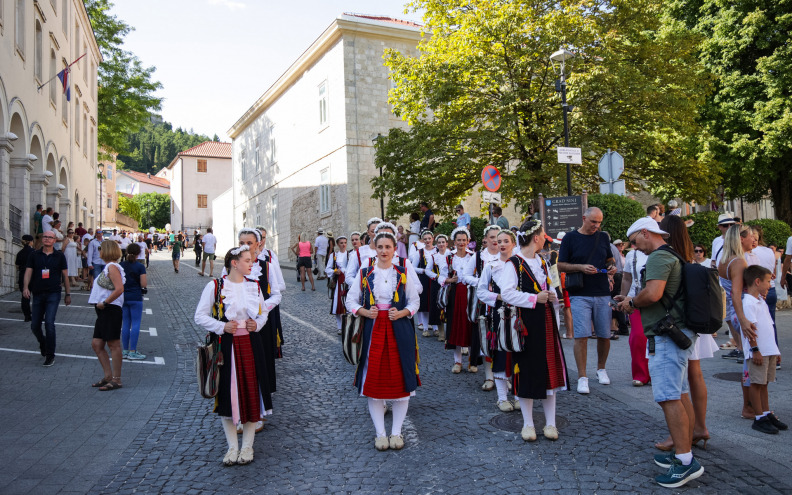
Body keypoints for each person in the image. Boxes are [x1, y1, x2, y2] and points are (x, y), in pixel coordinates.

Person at [615, 217, 704, 488]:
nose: (634, 247)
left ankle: (686, 461)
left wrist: (631, 301)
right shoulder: (673, 253)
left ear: (645, 233)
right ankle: (683, 453)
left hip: (666, 334)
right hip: (676, 332)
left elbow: (653, 294)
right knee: (679, 394)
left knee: (668, 397)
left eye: (634, 241)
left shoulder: (657, 257)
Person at [194, 246, 281, 466]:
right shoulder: (215, 286)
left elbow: (263, 314)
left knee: (252, 393)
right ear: (234, 263)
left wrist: (256, 323)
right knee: (227, 395)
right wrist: (222, 327)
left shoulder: (254, 287)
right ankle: (232, 447)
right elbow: (200, 316)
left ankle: (248, 447)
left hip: (252, 344)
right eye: (247, 260)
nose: (252, 264)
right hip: (227, 344)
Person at [345, 230, 420, 451]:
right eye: (380, 247)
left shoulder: (404, 271)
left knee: (402, 378)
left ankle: (396, 432)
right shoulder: (365, 272)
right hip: (374, 329)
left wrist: (403, 312)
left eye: (388, 247)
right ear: (374, 249)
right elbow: (350, 299)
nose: (384, 251)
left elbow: (415, 301)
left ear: (394, 250)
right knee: (374, 381)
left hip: (400, 330)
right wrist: (365, 312)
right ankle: (380, 433)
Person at [653, 215, 718, 452]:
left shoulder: (669, 255)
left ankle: (683, 435)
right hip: (693, 320)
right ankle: (698, 427)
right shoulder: (688, 252)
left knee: (680, 382)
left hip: (679, 324)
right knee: (694, 374)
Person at [501, 219, 569, 441]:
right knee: (527, 370)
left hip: (546, 320)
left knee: (549, 370)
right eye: (543, 235)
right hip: (526, 324)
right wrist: (534, 298)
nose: (545, 239)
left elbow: (549, 287)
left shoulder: (542, 261)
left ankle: (551, 423)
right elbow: (507, 293)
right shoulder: (513, 263)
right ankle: (528, 423)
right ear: (536, 237)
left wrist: (549, 296)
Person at [557, 207, 617, 394]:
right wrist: (581, 267)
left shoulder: (603, 237)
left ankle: (601, 369)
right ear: (584, 218)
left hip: (601, 291)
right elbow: (560, 265)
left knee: (604, 334)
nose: (596, 226)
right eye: (593, 222)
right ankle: (582, 377)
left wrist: (612, 267)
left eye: (599, 222)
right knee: (581, 335)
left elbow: (609, 259)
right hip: (579, 293)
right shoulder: (570, 238)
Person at [476, 229, 522, 411]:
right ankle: (502, 397)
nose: (501, 244)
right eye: (499, 240)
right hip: (499, 314)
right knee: (501, 353)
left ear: (513, 243)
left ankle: (519, 394)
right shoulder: (491, 265)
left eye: (506, 241)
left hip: (519, 314)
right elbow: (481, 291)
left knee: (518, 353)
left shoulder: (520, 264)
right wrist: (498, 298)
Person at [718, 224, 759, 418]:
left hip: (736, 313)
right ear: (741, 239)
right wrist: (743, 319)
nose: (754, 239)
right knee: (751, 361)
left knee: (748, 360)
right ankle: (749, 407)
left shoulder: (726, 259)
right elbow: (736, 293)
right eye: (751, 236)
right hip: (741, 313)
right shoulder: (738, 262)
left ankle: (750, 405)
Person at [741, 265, 787, 434]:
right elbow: (751, 329)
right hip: (758, 351)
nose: (770, 284)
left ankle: (766, 413)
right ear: (757, 281)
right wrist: (755, 350)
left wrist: (775, 350)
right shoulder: (748, 303)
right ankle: (759, 417)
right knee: (756, 383)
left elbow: (769, 327)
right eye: (768, 281)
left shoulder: (761, 300)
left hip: (769, 349)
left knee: (765, 383)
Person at [461, 224, 502, 389]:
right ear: (486, 239)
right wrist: (481, 282)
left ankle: (504, 375)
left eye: (497, 237)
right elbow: (465, 276)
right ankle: (489, 377)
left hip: (503, 301)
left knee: (502, 337)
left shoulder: (508, 255)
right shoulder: (479, 256)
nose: (495, 241)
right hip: (483, 303)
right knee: (487, 338)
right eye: (492, 237)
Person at [23, 230, 71, 366]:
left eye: (50, 237)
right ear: (42, 239)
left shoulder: (59, 256)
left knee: (49, 323)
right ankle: (43, 343)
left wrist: (68, 294)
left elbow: (65, 276)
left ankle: (50, 355)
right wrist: (26, 287)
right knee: (34, 326)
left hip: (53, 294)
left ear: (55, 240)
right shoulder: (34, 255)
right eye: (45, 237)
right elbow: (28, 272)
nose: (47, 239)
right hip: (37, 293)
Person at [88, 240, 126, 391]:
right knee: (97, 344)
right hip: (104, 309)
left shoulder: (112, 267)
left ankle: (116, 379)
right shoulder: (109, 266)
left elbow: (119, 289)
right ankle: (108, 376)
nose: (99, 251)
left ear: (107, 251)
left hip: (110, 308)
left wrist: (104, 302)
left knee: (113, 344)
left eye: (100, 249)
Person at [439, 227, 477, 373]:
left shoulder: (473, 256)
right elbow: (441, 277)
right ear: (454, 241)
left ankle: (472, 361)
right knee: (455, 326)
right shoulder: (449, 257)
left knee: (470, 325)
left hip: (470, 293)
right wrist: (449, 279)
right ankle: (457, 361)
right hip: (454, 294)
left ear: (468, 241)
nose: (461, 243)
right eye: (458, 240)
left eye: (464, 240)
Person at [621, 237, 650, 386]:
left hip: (656, 300)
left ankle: (654, 372)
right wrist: (623, 298)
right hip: (635, 299)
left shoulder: (660, 252)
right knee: (638, 336)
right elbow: (627, 278)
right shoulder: (632, 255)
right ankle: (640, 374)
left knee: (656, 337)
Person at [120, 243, 147, 360]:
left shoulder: (121, 265)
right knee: (135, 324)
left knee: (125, 323)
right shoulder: (140, 266)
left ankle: (125, 350)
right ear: (138, 253)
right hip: (136, 297)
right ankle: (133, 351)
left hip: (123, 296)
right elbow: (143, 284)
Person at [409, 230, 438, 337]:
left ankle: (435, 327)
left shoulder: (438, 250)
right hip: (424, 280)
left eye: (429, 239)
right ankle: (425, 327)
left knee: (434, 304)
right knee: (425, 304)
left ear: (433, 239)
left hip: (435, 280)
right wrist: (423, 271)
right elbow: (412, 267)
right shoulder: (419, 252)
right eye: (425, 239)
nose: (427, 241)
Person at [425, 234, 450, 340]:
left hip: (451, 283)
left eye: (443, 242)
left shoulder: (451, 255)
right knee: (438, 308)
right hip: (438, 283)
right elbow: (427, 270)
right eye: (439, 242)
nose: (441, 244)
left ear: (447, 243)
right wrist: (437, 277)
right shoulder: (434, 256)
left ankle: (450, 333)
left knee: (449, 308)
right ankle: (441, 333)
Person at [326, 235, 349, 334]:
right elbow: (327, 269)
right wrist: (335, 271)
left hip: (348, 281)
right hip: (339, 281)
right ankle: (340, 326)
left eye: (345, 243)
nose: (343, 245)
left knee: (348, 302)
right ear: (338, 244)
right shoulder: (334, 255)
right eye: (341, 243)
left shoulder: (350, 254)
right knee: (338, 303)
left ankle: (348, 324)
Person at [15, 235, 35, 322]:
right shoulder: (34, 252)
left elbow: (17, 266)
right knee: (37, 296)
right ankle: (38, 315)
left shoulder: (20, 253)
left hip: (23, 275)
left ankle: (27, 316)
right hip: (33, 275)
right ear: (30, 242)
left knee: (25, 296)